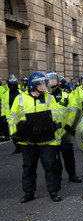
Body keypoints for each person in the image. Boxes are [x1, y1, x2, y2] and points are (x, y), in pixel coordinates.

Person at [9, 72, 63, 203]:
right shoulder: (20, 98)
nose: (45, 87)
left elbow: (56, 115)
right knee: (28, 167)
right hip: (28, 140)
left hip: (47, 139)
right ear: (34, 85)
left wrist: (55, 125)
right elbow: (12, 117)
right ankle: (29, 192)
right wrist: (14, 133)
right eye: (42, 85)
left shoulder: (50, 98)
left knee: (50, 165)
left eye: (45, 84)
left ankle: (53, 191)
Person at [47, 71, 82, 183]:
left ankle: (72, 175)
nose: (52, 81)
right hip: (50, 130)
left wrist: (69, 126)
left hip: (64, 130)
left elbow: (74, 110)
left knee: (68, 154)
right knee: (53, 157)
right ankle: (57, 177)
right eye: (49, 79)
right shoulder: (44, 96)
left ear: (58, 81)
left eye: (53, 79)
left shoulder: (66, 94)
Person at [1, 75, 22, 153]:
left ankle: (25, 146)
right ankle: (18, 147)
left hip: (21, 116)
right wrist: (3, 116)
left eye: (13, 85)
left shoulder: (22, 93)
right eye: (10, 85)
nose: (12, 86)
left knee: (22, 131)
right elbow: (3, 106)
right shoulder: (5, 95)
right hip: (11, 117)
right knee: (13, 133)